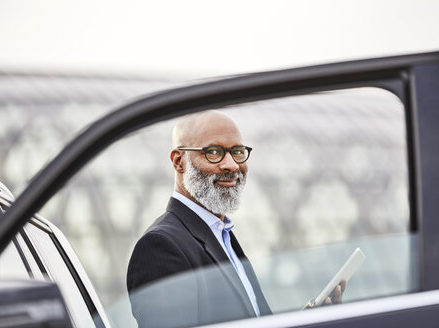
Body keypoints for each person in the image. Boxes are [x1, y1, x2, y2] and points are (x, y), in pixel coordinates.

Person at [127, 110, 344, 328]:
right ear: (178, 161)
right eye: (214, 152)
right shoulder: (160, 247)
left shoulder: (222, 235)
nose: (231, 165)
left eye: (237, 151)